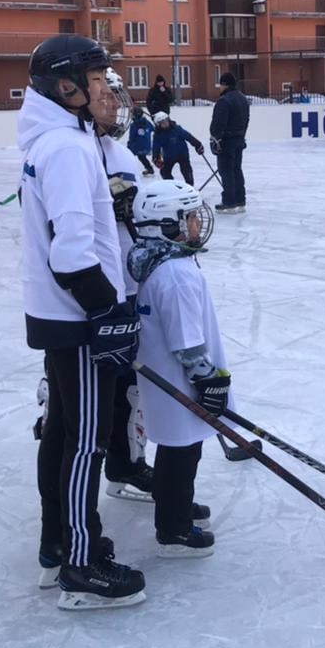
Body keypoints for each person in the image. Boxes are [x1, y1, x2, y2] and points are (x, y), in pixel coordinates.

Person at [18, 33, 146, 610]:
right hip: (79, 320)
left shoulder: (54, 136)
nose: (105, 88)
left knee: (64, 435)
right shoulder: (68, 149)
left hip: (58, 316)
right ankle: (80, 561)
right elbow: (70, 252)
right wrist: (109, 312)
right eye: (97, 79)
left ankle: (58, 543)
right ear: (66, 86)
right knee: (85, 444)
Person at [126, 179, 224, 557]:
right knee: (181, 452)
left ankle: (176, 508)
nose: (199, 224)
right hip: (179, 381)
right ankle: (174, 530)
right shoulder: (177, 274)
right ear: (168, 225)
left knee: (177, 449)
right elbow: (186, 340)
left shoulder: (159, 262)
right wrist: (209, 380)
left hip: (164, 379)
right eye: (191, 218)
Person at [93, 72, 155, 502]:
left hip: (130, 285)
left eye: (120, 97)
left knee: (129, 388)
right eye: (109, 97)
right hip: (91, 293)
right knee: (96, 394)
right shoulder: (68, 152)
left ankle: (127, 463)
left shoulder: (123, 155)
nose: (117, 106)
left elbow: (141, 218)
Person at [209, 71, 250, 214]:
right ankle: (240, 200)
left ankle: (229, 202)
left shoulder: (224, 101)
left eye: (220, 84)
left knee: (226, 171)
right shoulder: (243, 99)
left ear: (225, 85)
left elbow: (218, 123)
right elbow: (246, 121)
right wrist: (241, 135)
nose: (219, 88)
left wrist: (215, 139)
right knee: (236, 170)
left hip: (226, 142)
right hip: (239, 140)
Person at [151, 111, 204, 186]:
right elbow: (156, 147)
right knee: (164, 172)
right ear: (158, 125)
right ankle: (173, 187)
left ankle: (190, 186)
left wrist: (198, 145)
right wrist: (156, 158)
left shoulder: (177, 129)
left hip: (182, 155)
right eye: (162, 122)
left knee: (186, 170)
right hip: (168, 157)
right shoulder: (158, 135)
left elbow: (188, 136)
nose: (165, 123)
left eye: (166, 120)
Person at [127, 106, 156, 178]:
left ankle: (129, 170)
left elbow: (132, 137)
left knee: (130, 156)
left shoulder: (134, 125)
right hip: (147, 145)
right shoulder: (147, 122)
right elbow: (153, 129)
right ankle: (149, 168)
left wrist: (130, 144)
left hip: (137, 145)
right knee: (142, 157)